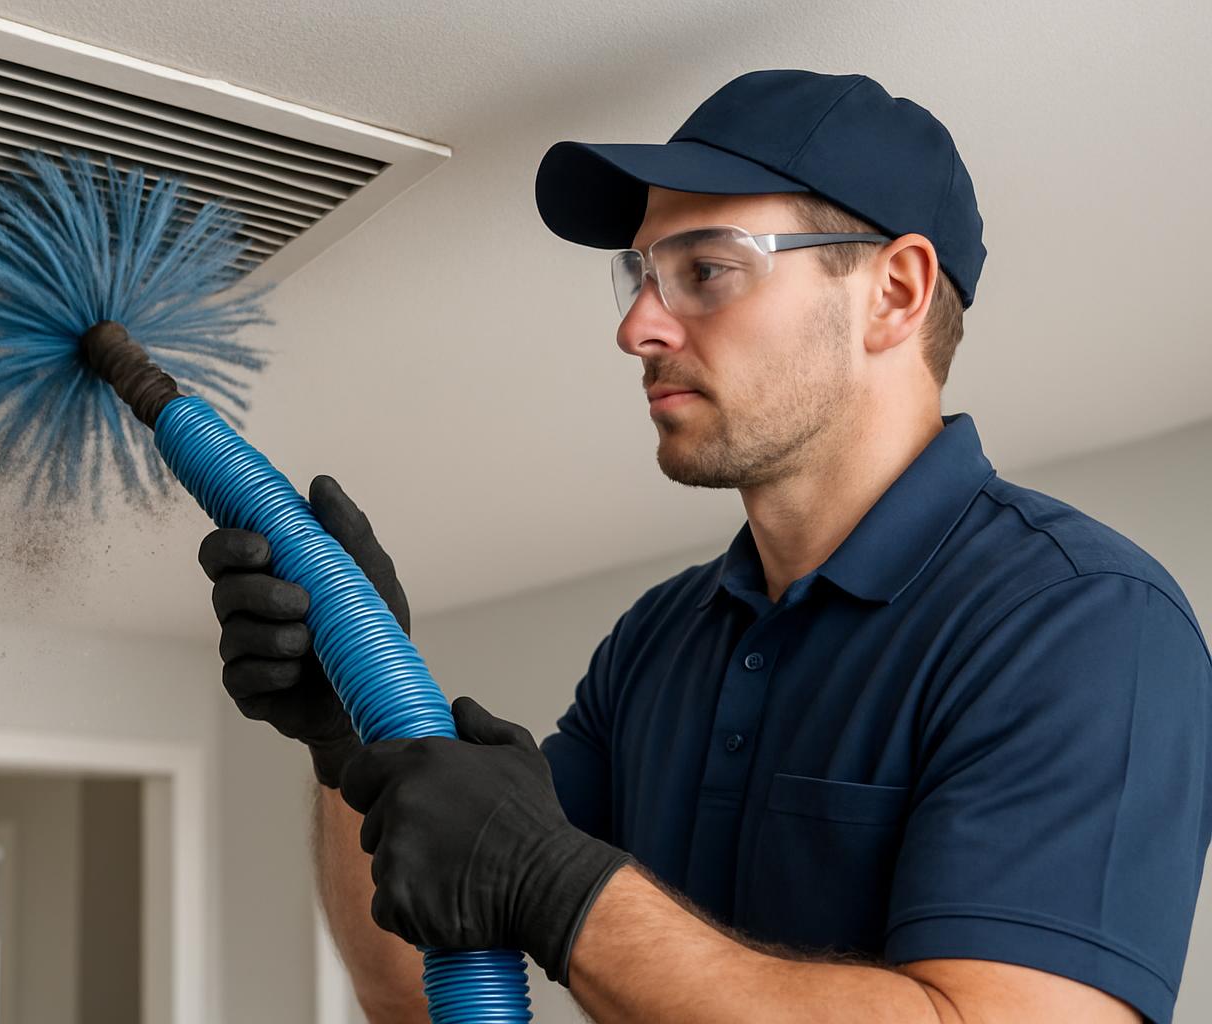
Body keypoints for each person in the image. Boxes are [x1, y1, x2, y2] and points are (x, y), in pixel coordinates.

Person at [196, 69, 1212, 1023]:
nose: (639, 325)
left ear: (896, 293)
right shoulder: (658, 642)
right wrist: (354, 734)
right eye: (641, 276)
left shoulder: (1081, 622)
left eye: (707, 270)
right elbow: (419, 993)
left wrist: (558, 885)